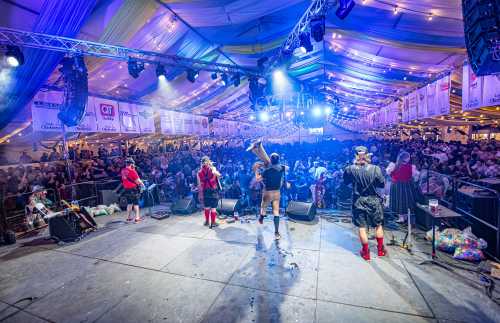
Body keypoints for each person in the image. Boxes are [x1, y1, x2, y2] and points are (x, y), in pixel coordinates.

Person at [343, 146, 386, 261]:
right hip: (374, 200)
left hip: (358, 201)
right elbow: (382, 184)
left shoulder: (349, 169)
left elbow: (345, 182)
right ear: (367, 155)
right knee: (378, 225)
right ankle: (381, 251)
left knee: (362, 227)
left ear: (355, 156)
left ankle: (366, 253)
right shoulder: (375, 168)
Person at [386, 151, 419, 223]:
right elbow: (416, 176)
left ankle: (401, 217)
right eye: (409, 157)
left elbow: (388, 172)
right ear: (406, 158)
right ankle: (405, 216)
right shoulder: (411, 167)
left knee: (398, 199)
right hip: (407, 185)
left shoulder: (393, 165)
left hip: (396, 185)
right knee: (406, 200)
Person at [259, 153, 286, 240]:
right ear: (278, 160)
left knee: (263, 207)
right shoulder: (282, 168)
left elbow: (259, 179)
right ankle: (276, 232)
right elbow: (285, 167)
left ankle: (261, 218)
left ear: (270, 160)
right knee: (276, 211)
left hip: (268, 192)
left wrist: (257, 169)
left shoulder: (266, 170)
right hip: (276, 192)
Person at [197, 156, 221, 229]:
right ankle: (213, 222)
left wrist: (200, 193)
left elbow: (200, 183)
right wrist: (214, 169)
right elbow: (219, 176)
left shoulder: (199, 172)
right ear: (208, 161)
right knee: (213, 208)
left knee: (206, 207)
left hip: (205, 190)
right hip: (213, 190)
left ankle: (207, 221)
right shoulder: (212, 169)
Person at [121, 158, 144, 223]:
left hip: (126, 189)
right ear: (131, 164)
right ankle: (137, 218)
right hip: (133, 189)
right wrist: (142, 184)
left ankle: (128, 217)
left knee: (129, 203)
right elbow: (138, 181)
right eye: (133, 164)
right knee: (136, 204)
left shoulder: (122, 170)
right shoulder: (132, 171)